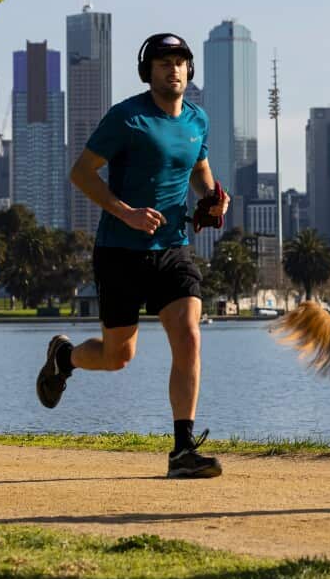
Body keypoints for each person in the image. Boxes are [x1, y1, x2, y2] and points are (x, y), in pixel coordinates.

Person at [35, 33, 229, 479]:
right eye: (163, 63)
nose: (173, 69)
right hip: (121, 251)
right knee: (118, 356)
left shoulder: (197, 120)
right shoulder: (127, 117)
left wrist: (214, 197)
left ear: (190, 70)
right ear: (149, 71)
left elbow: (199, 171)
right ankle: (65, 358)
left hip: (174, 248)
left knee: (189, 335)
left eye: (180, 61)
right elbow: (81, 173)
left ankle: (182, 449)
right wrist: (126, 213)